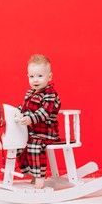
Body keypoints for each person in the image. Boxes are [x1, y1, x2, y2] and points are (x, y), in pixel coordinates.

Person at [16, 54, 61, 189]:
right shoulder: (30, 93)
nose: (35, 80)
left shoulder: (50, 94)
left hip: (47, 132)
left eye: (40, 76)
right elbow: (23, 108)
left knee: (34, 147)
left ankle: (40, 177)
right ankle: (32, 173)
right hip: (33, 132)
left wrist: (30, 118)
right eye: (32, 76)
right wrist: (14, 112)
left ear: (49, 77)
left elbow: (45, 112)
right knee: (19, 145)